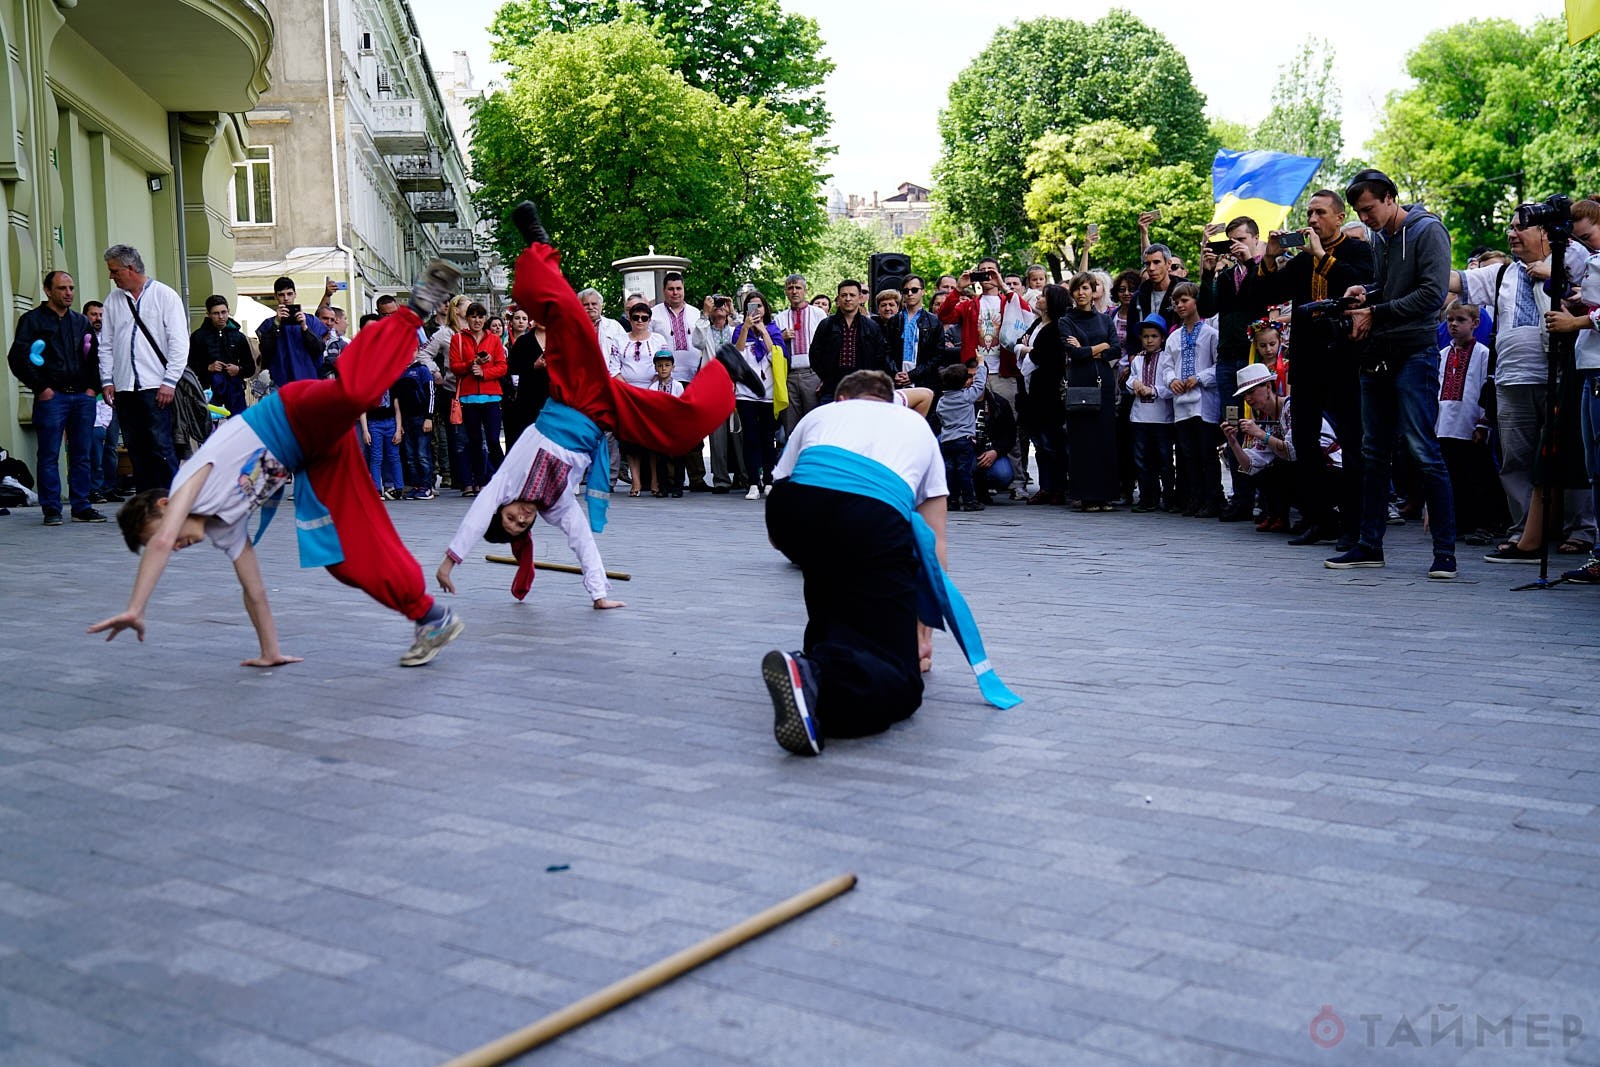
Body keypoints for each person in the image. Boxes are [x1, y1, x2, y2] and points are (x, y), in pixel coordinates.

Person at [90, 262, 467, 668]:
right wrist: (270, 652)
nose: (175, 545)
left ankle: (414, 311)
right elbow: (253, 590)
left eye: (163, 536)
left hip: (296, 412)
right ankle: (431, 617)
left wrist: (136, 607)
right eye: (170, 545)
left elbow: (163, 541)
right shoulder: (224, 530)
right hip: (315, 455)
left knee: (354, 392)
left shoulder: (187, 483)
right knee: (341, 557)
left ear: (165, 507)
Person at [435, 200, 755, 606]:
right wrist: (599, 594)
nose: (522, 517)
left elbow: (480, 509)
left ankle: (537, 242)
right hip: (604, 413)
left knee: (565, 314)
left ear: (504, 506)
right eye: (522, 525)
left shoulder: (508, 482)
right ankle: (725, 367)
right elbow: (582, 541)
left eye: (511, 517)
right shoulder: (555, 506)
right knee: (677, 431)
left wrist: (450, 560)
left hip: (574, 393)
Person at [760, 368, 1020, 757]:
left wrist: (810, 545)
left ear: (843, 398)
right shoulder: (917, 428)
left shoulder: (820, 415)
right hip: (870, 517)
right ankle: (817, 679)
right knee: (903, 684)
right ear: (893, 400)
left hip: (792, 516)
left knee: (833, 574)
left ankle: (820, 658)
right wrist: (922, 632)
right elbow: (934, 541)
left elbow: (782, 509)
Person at [1328, 169, 1458, 579]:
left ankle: (1445, 552)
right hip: (1379, 353)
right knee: (1373, 452)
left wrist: (1375, 310)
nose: (1364, 218)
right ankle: (1369, 546)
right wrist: (1365, 292)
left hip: (1415, 351)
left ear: (1390, 198)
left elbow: (1432, 295)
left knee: (1423, 450)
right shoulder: (1381, 238)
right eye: (1359, 212)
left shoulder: (1428, 230)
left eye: (1369, 209)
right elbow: (1390, 288)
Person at [1453, 211, 1595, 562]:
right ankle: (1525, 530)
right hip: (1511, 379)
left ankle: (1580, 530)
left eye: (1521, 227)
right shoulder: (1502, 272)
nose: (1512, 233)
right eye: (1510, 227)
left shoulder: (1572, 258)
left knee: (1571, 454)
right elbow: (1456, 280)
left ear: (1545, 232)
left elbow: (1587, 288)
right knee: (1516, 459)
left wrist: (1554, 271)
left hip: (1561, 375)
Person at [1241, 190, 1376, 549]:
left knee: (1352, 441)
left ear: (1339, 216)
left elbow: (1357, 287)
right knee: (1303, 440)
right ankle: (1320, 518)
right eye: (1309, 213)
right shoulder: (1300, 261)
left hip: (1345, 360)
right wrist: (1270, 259)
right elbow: (1261, 297)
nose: (1313, 220)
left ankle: (1354, 524)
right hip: (1306, 362)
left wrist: (1322, 257)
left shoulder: (1358, 251)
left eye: (1320, 213)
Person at [8, 270, 103, 524]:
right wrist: (42, 388)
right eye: (62, 288)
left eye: (71, 288)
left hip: (82, 397)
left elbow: (95, 357)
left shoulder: (80, 321)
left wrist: (93, 388)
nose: (68, 293)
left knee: (82, 453)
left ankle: (82, 506)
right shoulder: (32, 320)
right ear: (48, 291)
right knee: (49, 454)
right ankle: (51, 508)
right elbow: (17, 358)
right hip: (53, 397)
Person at [1199, 217, 1274, 521]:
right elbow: (1206, 309)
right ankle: (1241, 497)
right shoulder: (1227, 275)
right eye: (1231, 241)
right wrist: (1207, 273)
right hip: (1228, 359)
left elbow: (1261, 299)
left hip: (1254, 358)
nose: (1236, 246)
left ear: (1255, 239)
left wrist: (1252, 264)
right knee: (1232, 424)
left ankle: (1267, 500)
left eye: (1241, 239)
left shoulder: (1266, 269)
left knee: (1260, 423)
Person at [99, 245, 186, 492]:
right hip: (125, 388)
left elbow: (179, 343)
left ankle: (172, 499)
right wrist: (107, 380)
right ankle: (146, 501)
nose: (111, 276)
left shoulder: (164, 296)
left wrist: (170, 382)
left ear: (130, 268)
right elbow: (106, 344)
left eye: (114, 271)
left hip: (155, 386)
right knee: (136, 449)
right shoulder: (113, 301)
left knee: (161, 447)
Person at [1221, 362, 1341, 520]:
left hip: (1334, 470)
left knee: (1282, 470)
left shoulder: (1292, 408)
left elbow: (1293, 452)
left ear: (1268, 387)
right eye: (1245, 395)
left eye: (1251, 392)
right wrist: (1233, 442)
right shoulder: (1266, 421)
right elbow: (1251, 466)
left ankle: (1321, 516)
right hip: (1317, 471)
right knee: (1265, 474)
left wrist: (1260, 434)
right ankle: (1311, 517)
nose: (1248, 399)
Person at [1435, 302, 1501, 545]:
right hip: (1444, 424)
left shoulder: (1483, 353)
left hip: (1470, 422)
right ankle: (1459, 522)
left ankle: (1484, 523)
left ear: (1475, 323)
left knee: (1477, 474)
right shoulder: (1442, 354)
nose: (1454, 324)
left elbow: (1484, 388)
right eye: (1450, 320)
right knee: (1452, 475)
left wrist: (1483, 423)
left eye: (1460, 320)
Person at [1157, 282, 1222, 517]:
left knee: (1207, 452)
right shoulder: (1173, 337)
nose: (1180, 305)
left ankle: (1213, 497)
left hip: (1204, 402)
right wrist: (1172, 380)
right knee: (1188, 453)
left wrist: (1200, 377)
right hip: (1181, 404)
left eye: (1185, 300)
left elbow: (1218, 366)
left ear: (1196, 301)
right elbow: (1166, 367)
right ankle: (1195, 497)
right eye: (1177, 302)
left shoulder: (1211, 334)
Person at [1059, 272, 1120, 511]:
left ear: (1093, 291)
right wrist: (1099, 347)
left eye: (1085, 288)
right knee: (1083, 438)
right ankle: (1086, 496)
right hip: (1080, 380)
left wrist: (1088, 348)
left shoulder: (1105, 320)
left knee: (1105, 437)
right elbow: (1074, 353)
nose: (1081, 293)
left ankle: (1106, 495)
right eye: (1077, 289)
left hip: (1103, 380)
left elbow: (1115, 349)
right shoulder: (1066, 321)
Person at [650, 271, 707, 490]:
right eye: (671, 289)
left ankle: (697, 478)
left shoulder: (695, 313)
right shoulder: (654, 314)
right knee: (667, 430)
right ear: (664, 291)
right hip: (665, 379)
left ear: (684, 289)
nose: (675, 292)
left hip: (692, 378)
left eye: (679, 288)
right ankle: (671, 480)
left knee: (693, 429)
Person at [448, 302, 507, 497]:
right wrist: (472, 363)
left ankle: (502, 479)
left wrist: (484, 372)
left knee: (493, 440)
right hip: (468, 397)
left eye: (481, 316)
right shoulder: (457, 338)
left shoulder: (494, 339)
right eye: (473, 316)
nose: (477, 320)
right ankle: (479, 481)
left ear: (485, 319)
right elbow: (455, 367)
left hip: (492, 396)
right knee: (474, 441)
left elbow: (502, 367)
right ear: (467, 318)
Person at [733, 291, 784, 498]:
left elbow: (778, 357)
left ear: (765, 309)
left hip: (768, 393)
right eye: (752, 307)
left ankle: (770, 480)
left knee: (768, 438)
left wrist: (763, 332)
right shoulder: (740, 330)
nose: (756, 310)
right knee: (751, 438)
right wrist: (746, 328)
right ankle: (753, 482)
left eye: (759, 306)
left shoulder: (773, 329)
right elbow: (736, 355)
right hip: (745, 393)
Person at [1126, 314, 1175, 512]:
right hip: (1139, 417)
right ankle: (1147, 498)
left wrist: (1153, 390)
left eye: (1154, 336)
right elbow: (1131, 380)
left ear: (1162, 338)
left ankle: (1169, 498)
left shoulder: (1166, 359)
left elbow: (1170, 387)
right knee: (1142, 460)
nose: (1149, 340)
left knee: (1164, 460)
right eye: (1145, 336)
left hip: (1162, 418)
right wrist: (1135, 384)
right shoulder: (1137, 359)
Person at [775, 274, 827, 435]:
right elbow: (772, 348)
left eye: (798, 288)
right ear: (786, 292)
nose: (794, 291)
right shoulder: (779, 318)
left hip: (813, 374)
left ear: (805, 290)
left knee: (814, 425)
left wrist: (824, 377)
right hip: (789, 377)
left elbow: (828, 346)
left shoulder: (818, 314)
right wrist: (781, 338)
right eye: (790, 288)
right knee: (791, 427)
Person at [187, 296, 255, 417]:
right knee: (209, 426)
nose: (221, 316)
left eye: (223, 312)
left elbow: (251, 367)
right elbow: (189, 367)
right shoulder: (198, 337)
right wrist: (208, 368)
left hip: (235, 391)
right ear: (208, 314)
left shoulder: (239, 337)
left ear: (228, 312)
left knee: (238, 424)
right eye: (216, 313)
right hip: (208, 391)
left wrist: (238, 369)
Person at [255, 275, 329, 387]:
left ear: (295, 294)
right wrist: (276, 324)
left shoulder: (311, 321)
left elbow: (319, 349)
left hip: (309, 381)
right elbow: (265, 351)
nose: (286, 298)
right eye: (281, 295)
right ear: (276, 296)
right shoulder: (269, 324)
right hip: (280, 383)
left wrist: (304, 327)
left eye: (289, 294)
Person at [936, 360, 989, 511]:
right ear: (965, 382)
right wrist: (981, 364)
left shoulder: (942, 401)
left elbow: (940, 416)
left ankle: (952, 500)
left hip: (947, 440)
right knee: (964, 471)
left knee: (950, 471)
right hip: (964, 440)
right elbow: (980, 384)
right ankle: (969, 501)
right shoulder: (967, 397)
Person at [394, 344, 436, 500]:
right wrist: (399, 424)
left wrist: (429, 417)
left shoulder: (422, 370)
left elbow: (431, 394)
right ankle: (416, 485)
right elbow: (397, 400)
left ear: (417, 351)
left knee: (422, 454)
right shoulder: (399, 372)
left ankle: (426, 486)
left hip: (421, 417)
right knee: (410, 455)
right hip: (406, 419)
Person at [502, 315, 550, 451]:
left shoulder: (559, 340)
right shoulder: (524, 341)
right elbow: (513, 368)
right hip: (528, 398)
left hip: (552, 398)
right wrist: (533, 366)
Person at [644, 352, 686, 496]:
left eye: (667, 365)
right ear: (655, 367)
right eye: (660, 365)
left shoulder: (678, 386)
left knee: (678, 457)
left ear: (673, 367)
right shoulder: (653, 387)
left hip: (675, 426)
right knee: (661, 458)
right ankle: (663, 487)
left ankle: (678, 487)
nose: (663, 369)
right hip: (660, 427)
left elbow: (681, 405)